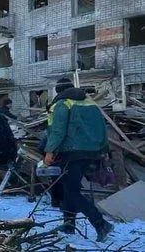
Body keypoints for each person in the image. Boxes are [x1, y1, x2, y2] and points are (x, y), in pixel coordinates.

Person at [43, 78, 113, 242]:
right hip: (92, 151)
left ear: (58, 91)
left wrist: (49, 151)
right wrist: (103, 148)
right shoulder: (90, 103)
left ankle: (100, 223)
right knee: (70, 188)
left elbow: (58, 131)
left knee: (72, 191)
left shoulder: (62, 103)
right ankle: (68, 225)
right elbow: (103, 126)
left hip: (72, 151)